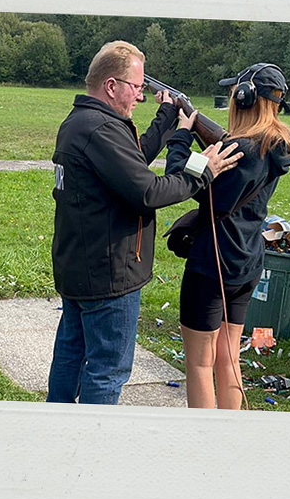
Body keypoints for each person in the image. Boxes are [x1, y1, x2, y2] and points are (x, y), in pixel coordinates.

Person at [46, 40, 242, 405]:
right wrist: (204, 169)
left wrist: (171, 121)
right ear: (112, 86)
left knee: (72, 357)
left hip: (81, 267)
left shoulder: (84, 122)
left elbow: (131, 163)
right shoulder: (101, 130)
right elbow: (149, 191)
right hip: (110, 275)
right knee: (108, 370)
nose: (139, 96)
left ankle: (57, 433)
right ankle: (91, 448)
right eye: (136, 87)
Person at [165, 63, 290, 409]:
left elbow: (181, 180)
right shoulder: (273, 147)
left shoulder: (239, 152)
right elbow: (223, 170)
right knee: (227, 359)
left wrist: (182, 134)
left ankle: (206, 444)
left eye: (234, 93)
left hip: (212, 264)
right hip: (247, 262)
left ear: (244, 97)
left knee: (199, 364)